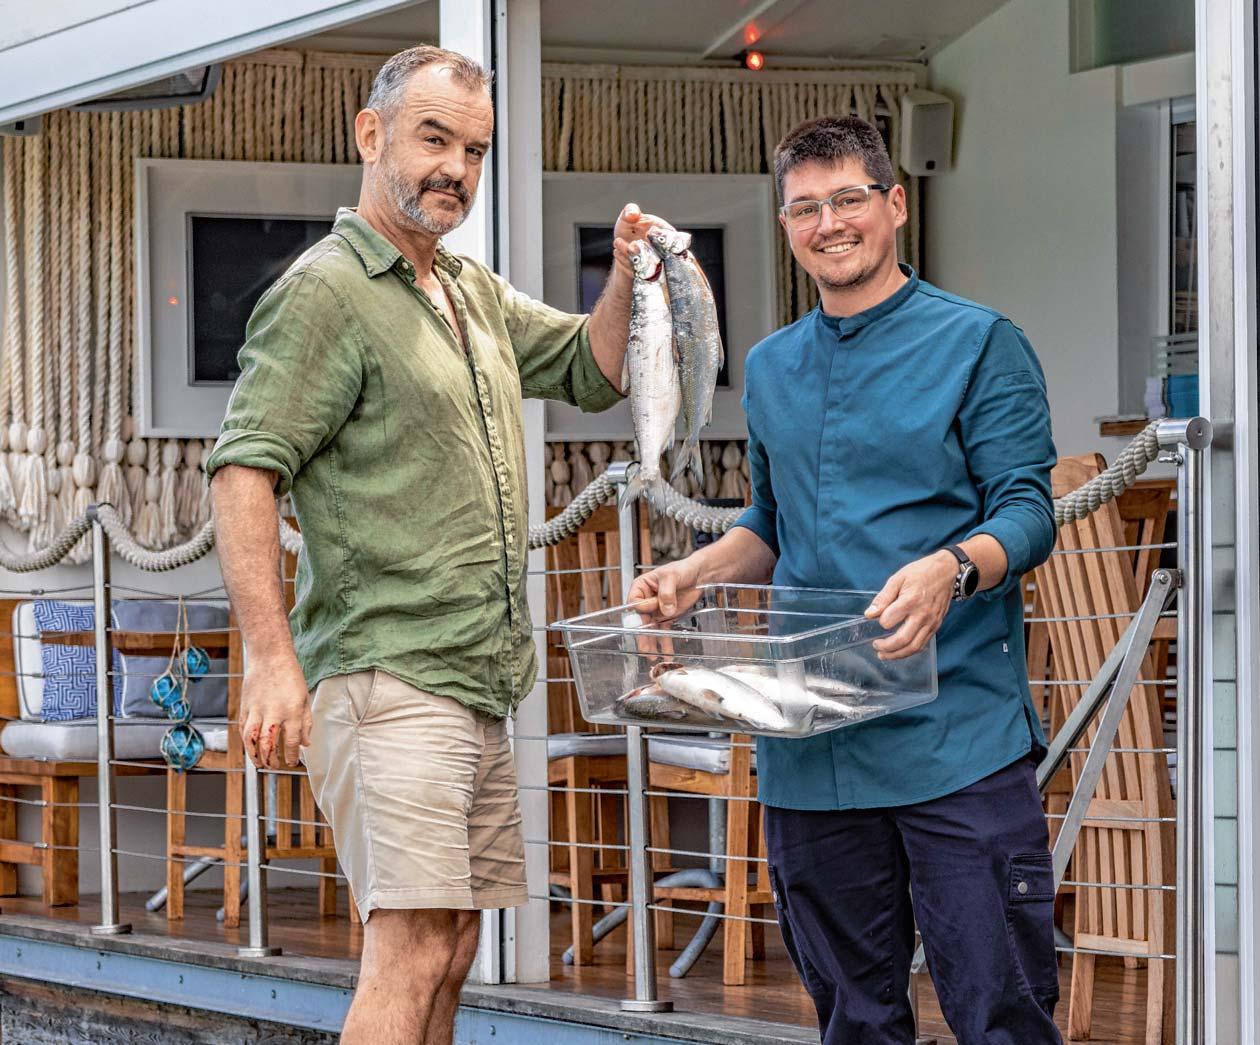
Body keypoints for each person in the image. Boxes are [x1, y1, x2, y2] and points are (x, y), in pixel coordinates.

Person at [206, 45, 673, 1045]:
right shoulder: (326, 292)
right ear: (370, 135)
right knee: (411, 944)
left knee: (453, 941)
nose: (456, 168)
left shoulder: (467, 290)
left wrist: (628, 274)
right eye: (433, 139)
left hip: (476, 680)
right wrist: (270, 660)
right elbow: (242, 473)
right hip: (388, 674)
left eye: (474, 150)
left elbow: (592, 369)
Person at [629, 115, 1061, 1045]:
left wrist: (951, 568)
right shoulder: (771, 366)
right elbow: (771, 522)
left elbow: (1029, 513)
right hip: (811, 749)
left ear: (895, 205)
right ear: (786, 224)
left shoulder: (981, 342)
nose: (829, 223)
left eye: (849, 199)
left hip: (956, 740)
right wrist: (695, 572)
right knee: (854, 1023)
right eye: (805, 208)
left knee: (1002, 1016)